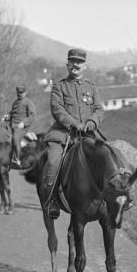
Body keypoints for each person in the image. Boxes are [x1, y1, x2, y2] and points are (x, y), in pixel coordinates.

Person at [43, 48, 104, 218]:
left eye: (79, 62)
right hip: (64, 134)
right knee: (54, 161)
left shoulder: (91, 87)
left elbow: (99, 109)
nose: (75, 65)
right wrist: (74, 124)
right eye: (72, 61)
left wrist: (91, 122)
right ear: (67, 64)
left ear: (85, 65)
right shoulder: (59, 86)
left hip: (88, 135)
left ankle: (108, 198)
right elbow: (57, 110)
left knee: (107, 156)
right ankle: (53, 200)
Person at [4, 84, 36, 167]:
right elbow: (12, 114)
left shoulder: (28, 102)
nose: (20, 94)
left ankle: (17, 159)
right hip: (12, 125)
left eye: (21, 93)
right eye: (18, 93)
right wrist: (7, 117)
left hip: (21, 127)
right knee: (1, 134)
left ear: (25, 93)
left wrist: (23, 122)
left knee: (15, 138)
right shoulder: (15, 102)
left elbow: (32, 116)